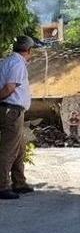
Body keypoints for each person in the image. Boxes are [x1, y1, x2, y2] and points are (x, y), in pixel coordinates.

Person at [0, 36, 41, 200]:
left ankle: (19, 182)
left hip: (13, 110)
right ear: (29, 50)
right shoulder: (17, 64)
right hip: (12, 110)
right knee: (9, 149)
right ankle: (2, 186)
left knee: (20, 147)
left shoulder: (9, 61)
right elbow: (9, 88)